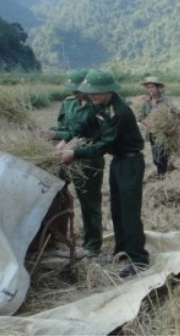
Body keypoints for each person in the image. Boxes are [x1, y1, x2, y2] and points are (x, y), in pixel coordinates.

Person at [57, 69, 149, 278]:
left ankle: (139, 259)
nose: (92, 97)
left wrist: (75, 153)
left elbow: (104, 144)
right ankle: (122, 251)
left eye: (96, 93)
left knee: (129, 211)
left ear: (108, 91)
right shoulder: (98, 105)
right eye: (90, 93)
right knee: (116, 208)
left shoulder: (120, 112)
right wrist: (65, 140)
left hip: (131, 162)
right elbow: (84, 125)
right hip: (117, 162)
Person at [37, 69, 104, 257]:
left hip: (87, 159)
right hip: (63, 157)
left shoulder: (97, 107)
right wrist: (50, 133)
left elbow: (83, 133)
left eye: (77, 89)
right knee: (56, 195)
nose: (74, 92)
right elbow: (63, 127)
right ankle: (55, 237)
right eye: (72, 89)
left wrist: (58, 136)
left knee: (89, 202)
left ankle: (92, 245)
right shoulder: (68, 104)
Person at [136, 76, 180, 176]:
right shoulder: (147, 102)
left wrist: (173, 128)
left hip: (164, 134)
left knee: (161, 159)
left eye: (152, 87)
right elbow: (140, 116)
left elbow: (177, 115)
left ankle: (162, 177)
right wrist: (147, 123)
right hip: (152, 134)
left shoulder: (166, 101)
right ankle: (167, 170)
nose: (150, 89)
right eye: (148, 87)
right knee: (155, 160)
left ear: (157, 87)